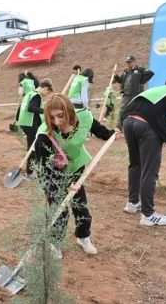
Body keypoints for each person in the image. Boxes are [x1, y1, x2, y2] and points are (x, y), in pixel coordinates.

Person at [34, 93, 119, 257]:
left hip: (75, 172)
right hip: (53, 177)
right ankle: (54, 242)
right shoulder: (45, 136)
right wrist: (64, 184)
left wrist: (110, 134)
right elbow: (46, 167)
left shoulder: (84, 117)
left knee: (82, 209)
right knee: (60, 212)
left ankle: (83, 237)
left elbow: (97, 129)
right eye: (52, 118)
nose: (57, 122)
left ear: (69, 111)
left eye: (60, 115)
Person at [121, 84, 166, 226]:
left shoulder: (162, 90)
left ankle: (133, 203)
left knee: (136, 164)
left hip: (128, 120)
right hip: (147, 125)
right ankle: (148, 214)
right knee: (149, 171)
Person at [16, 79, 54, 181]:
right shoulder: (36, 95)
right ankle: (30, 173)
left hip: (25, 122)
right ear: (45, 88)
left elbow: (22, 108)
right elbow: (31, 108)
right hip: (30, 123)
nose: (46, 94)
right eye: (47, 92)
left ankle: (32, 171)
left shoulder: (29, 93)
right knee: (33, 147)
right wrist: (45, 111)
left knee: (33, 146)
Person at [114, 56, 154, 129]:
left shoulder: (140, 70)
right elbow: (121, 81)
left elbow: (151, 73)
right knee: (122, 110)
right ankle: (119, 127)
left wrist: (142, 82)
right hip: (126, 94)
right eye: (127, 62)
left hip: (136, 94)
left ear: (134, 62)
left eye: (129, 62)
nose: (128, 64)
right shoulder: (126, 71)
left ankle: (139, 127)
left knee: (137, 111)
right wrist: (116, 76)